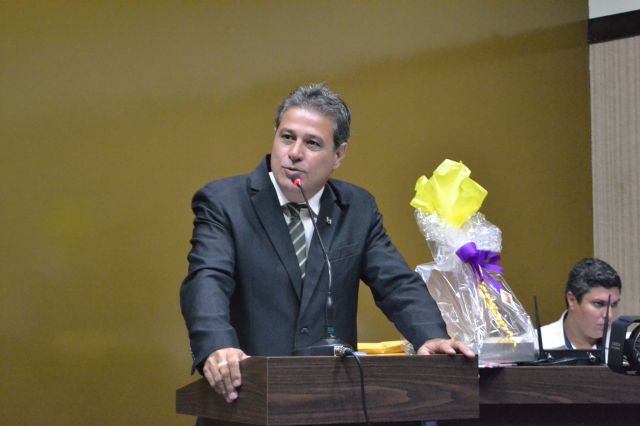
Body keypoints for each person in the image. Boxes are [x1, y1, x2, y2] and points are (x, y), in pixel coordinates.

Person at [180, 83, 475, 404]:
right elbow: (208, 279)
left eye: (312, 143)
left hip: (332, 401)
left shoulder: (357, 208)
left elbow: (396, 283)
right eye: (287, 137)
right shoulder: (225, 202)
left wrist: (430, 336)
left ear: (338, 155)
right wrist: (217, 346)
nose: (295, 152)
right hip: (246, 398)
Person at [540, 258, 622, 351]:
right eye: (598, 304)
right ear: (571, 300)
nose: (609, 315)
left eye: (614, 304)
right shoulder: (537, 344)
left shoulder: (627, 346)